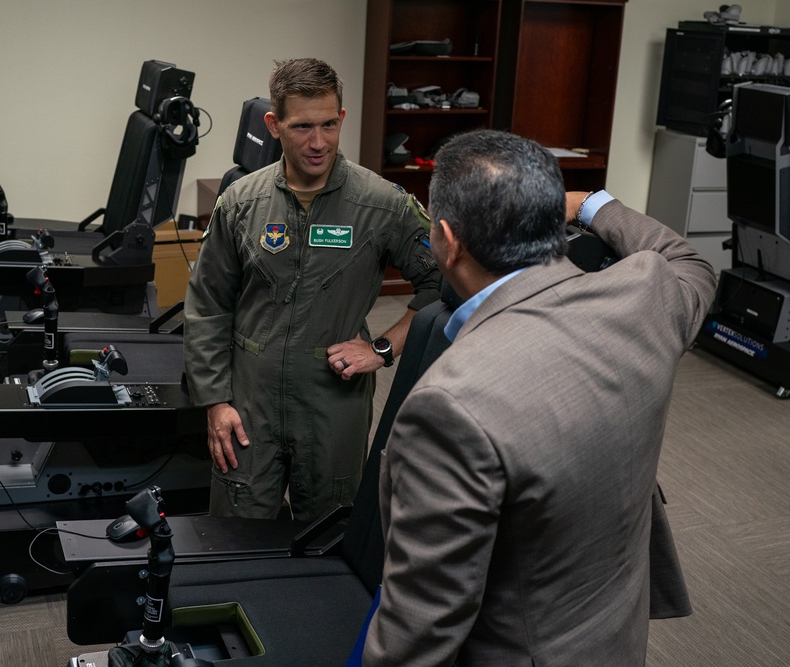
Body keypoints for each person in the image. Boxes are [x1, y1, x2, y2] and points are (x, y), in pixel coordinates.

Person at [364, 129, 717, 665]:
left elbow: (420, 631)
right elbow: (690, 263)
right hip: (616, 641)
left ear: (446, 239)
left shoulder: (449, 407)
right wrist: (594, 205)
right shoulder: (648, 295)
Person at [182, 58, 440, 522]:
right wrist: (214, 402)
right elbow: (207, 304)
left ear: (341, 119)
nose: (318, 142)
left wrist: (382, 347)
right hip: (248, 402)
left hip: (331, 404)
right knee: (236, 533)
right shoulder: (241, 203)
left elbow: (444, 283)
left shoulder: (381, 204)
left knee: (328, 537)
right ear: (274, 125)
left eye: (328, 125)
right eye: (302, 127)